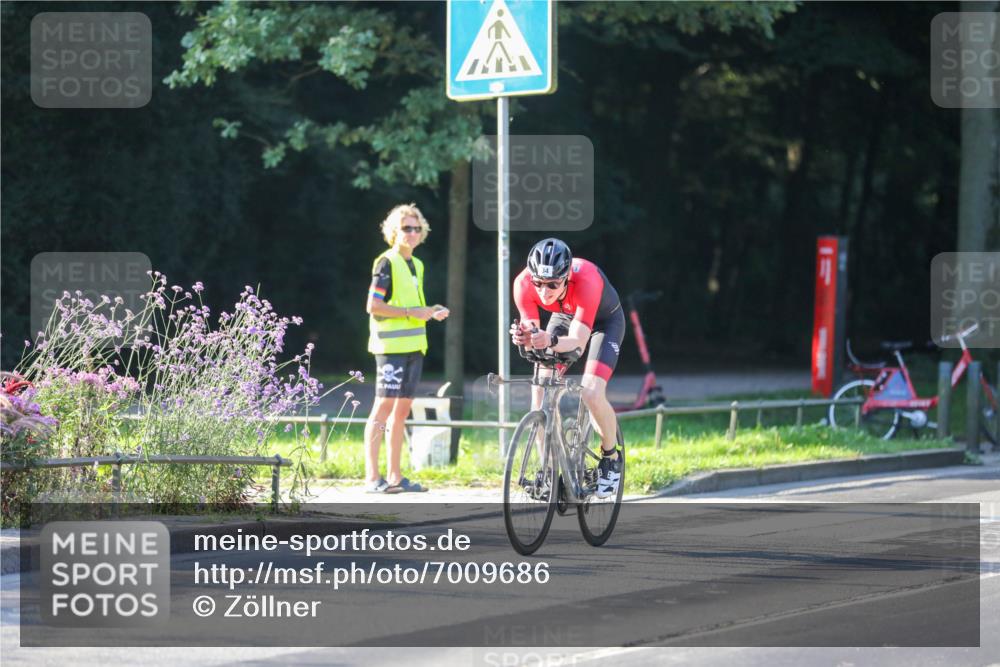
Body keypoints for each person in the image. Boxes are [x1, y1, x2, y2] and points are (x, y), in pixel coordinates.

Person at [510, 238, 625, 498]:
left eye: (552, 284)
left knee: (591, 392)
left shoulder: (586, 280)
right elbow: (532, 331)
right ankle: (549, 474)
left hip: (602, 324)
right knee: (539, 397)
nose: (544, 291)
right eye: (538, 283)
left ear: (566, 278)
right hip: (564, 317)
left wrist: (549, 340)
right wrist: (525, 337)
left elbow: (577, 343)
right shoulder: (522, 284)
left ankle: (610, 458)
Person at [364, 204, 449, 493]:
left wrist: (430, 311)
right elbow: (373, 306)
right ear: (393, 232)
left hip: (415, 347)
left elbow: (411, 306)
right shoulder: (386, 262)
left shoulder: (418, 264)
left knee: (401, 413)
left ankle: (396, 477)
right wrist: (415, 312)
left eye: (416, 228)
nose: (412, 233)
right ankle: (373, 478)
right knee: (382, 410)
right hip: (390, 348)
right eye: (406, 228)